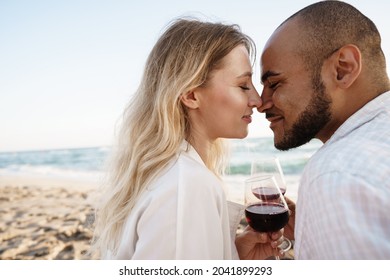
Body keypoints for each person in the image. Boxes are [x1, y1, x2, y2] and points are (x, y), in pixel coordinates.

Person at [90, 18, 281, 260]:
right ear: (191, 95)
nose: (257, 100)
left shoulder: (168, 175)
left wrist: (233, 257)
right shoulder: (187, 185)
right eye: (243, 85)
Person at [236, 1, 390, 259]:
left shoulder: (336, 175)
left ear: (343, 69)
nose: (261, 103)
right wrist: (311, 233)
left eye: (274, 83)